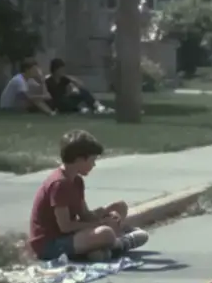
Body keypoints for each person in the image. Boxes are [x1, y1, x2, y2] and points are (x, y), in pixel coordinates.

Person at [28, 130, 149, 262]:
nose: (94, 164)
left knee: (120, 207)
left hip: (69, 236)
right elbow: (65, 226)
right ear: (80, 159)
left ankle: (99, 250)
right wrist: (100, 224)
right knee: (105, 233)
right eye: (92, 160)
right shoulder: (59, 184)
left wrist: (106, 212)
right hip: (50, 245)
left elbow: (85, 215)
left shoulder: (77, 181)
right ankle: (120, 244)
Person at [45, 58, 110, 114]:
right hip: (58, 103)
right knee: (63, 100)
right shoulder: (49, 81)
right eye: (60, 69)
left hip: (66, 101)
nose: (62, 71)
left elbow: (80, 84)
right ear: (55, 70)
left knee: (83, 92)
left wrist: (70, 79)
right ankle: (80, 109)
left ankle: (96, 107)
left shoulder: (64, 79)